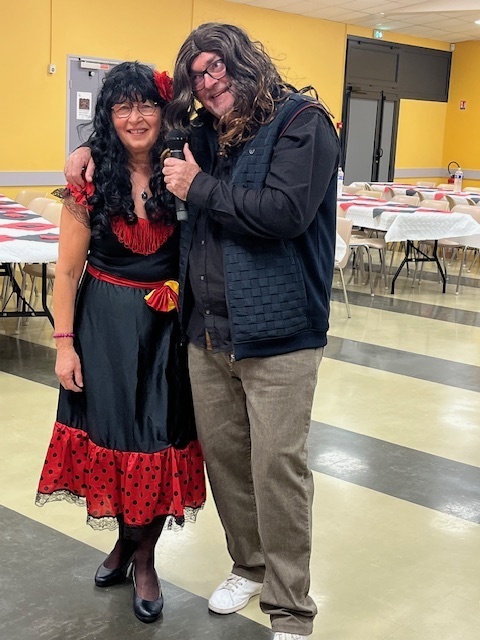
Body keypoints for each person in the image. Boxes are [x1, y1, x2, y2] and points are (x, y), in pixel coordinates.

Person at [66, 23, 339, 639]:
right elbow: (135, 128)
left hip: (279, 335)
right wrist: (85, 148)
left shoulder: (303, 124)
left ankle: (290, 608)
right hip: (206, 333)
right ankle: (249, 565)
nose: (210, 83)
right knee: (226, 463)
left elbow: (286, 214)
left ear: (246, 61)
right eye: (197, 76)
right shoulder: (203, 134)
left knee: (277, 467)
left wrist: (200, 188)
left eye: (218, 67)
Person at [37, 61, 206, 625]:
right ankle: (123, 544)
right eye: (122, 107)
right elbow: (66, 274)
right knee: (113, 440)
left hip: (168, 331)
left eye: (147, 104)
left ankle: (144, 557)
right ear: (107, 116)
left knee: (157, 441)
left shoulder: (186, 167)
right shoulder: (88, 180)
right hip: (103, 328)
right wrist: (65, 345)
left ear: (164, 111)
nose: (136, 117)